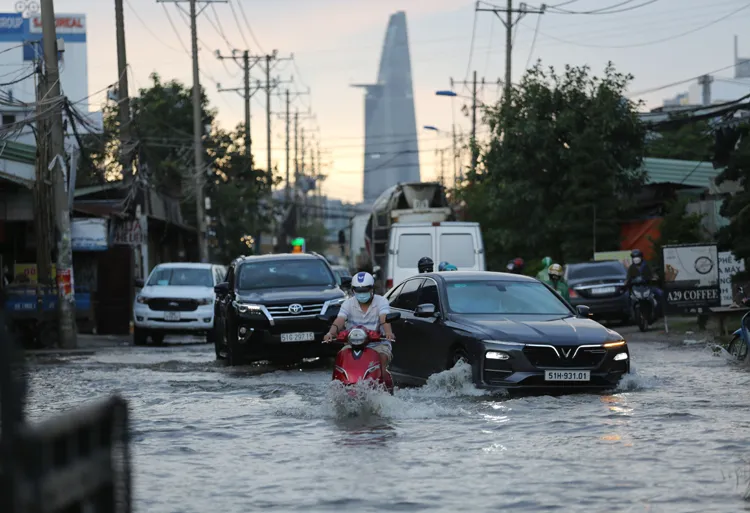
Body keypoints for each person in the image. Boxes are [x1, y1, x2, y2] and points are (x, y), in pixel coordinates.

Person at [323, 271, 395, 378]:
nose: (362, 294)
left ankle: (383, 388)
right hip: (352, 345)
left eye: (365, 290)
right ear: (353, 291)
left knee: (381, 360)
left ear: (372, 289)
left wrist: (388, 332)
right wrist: (330, 333)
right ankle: (340, 385)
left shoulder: (381, 301)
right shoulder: (348, 303)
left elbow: (384, 318)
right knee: (341, 358)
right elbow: (340, 320)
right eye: (358, 291)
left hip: (378, 344)